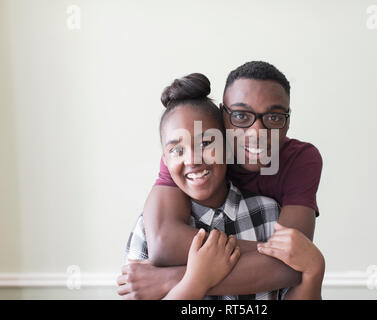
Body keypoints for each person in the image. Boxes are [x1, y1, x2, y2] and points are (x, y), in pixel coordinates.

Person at [117, 62, 324, 299]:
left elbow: (292, 260)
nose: (256, 133)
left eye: (274, 117)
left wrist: (180, 279)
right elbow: (164, 243)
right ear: (224, 122)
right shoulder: (185, 157)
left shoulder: (288, 180)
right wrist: (199, 277)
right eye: (240, 116)